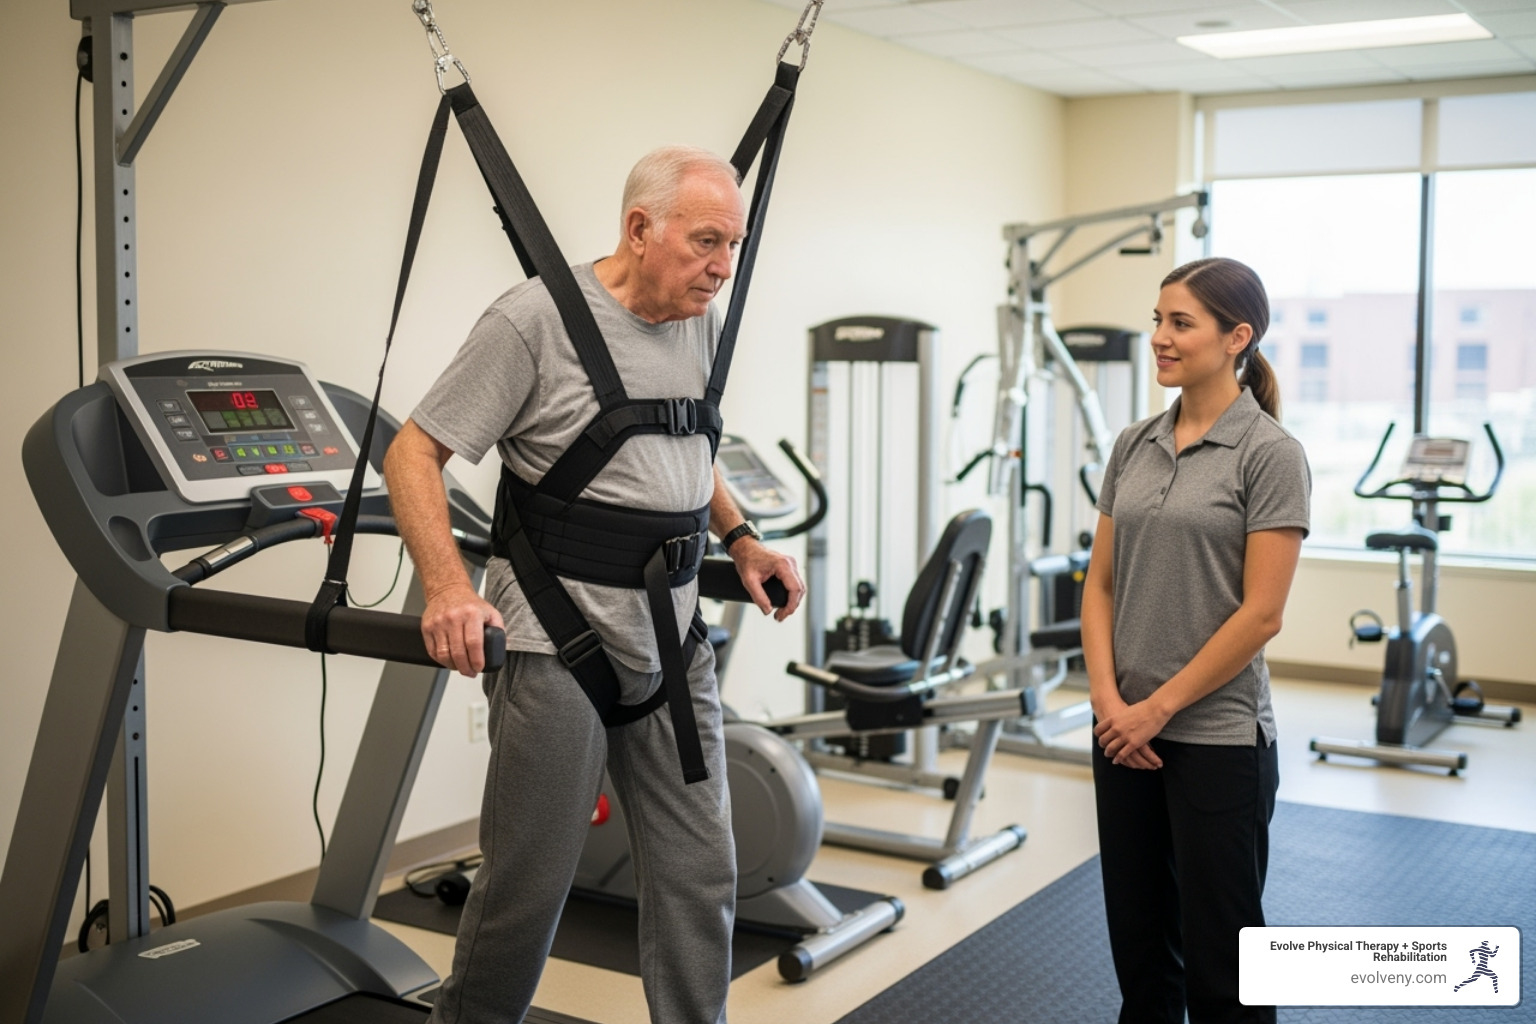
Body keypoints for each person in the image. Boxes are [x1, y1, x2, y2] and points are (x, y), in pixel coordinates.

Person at [383, 145, 804, 1024]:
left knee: (701, 871)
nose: (722, 267)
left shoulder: (695, 314)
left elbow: (690, 437)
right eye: (705, 242)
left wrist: (742, 535)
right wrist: (446, 588)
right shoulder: (531, 322)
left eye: (735, 243)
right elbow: (412, 452)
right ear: (640, 229)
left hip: (673, 637)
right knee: (529, 883)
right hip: (556, 639)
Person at [1081, 257, 1310, 1024]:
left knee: (1226, 962)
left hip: (1215, 735)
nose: (1159, 338)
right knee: (1142, 953)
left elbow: (1261, 614)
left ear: (1236, 336)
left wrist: (1158, 710)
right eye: (1157, 320)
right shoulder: (1132, 444)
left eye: (1180, 323)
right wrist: (1113, 704)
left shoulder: (1270, 454)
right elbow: (1101, 584)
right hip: (1123, 732)